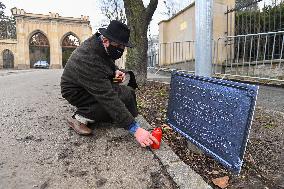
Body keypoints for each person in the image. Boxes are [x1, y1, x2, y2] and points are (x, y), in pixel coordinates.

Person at [60, 20, 158, 148]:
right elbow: (108, 97)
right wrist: (136, 129)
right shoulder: (87, 58)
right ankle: (80, 117)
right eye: (119, 47)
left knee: (128, 93)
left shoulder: (100, 44)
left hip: (90, 82)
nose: (120, 51)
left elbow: (106, 60)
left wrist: (115, 71)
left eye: (123, 47)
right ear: (106, 40)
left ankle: (122, 117)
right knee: (109, 104)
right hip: (77, 92)